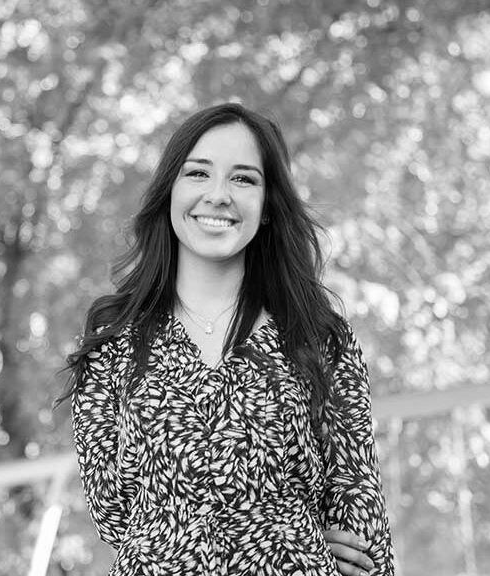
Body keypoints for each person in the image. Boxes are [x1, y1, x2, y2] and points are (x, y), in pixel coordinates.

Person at [59, 103, 395, 575]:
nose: (218, 195)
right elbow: (115, 516)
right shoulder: (112, 345)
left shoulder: (318, 339)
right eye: (198, 173)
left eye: (243, 179)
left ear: (266, 210)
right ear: (169, 192)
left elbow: (362, 519)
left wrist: (289, 541)